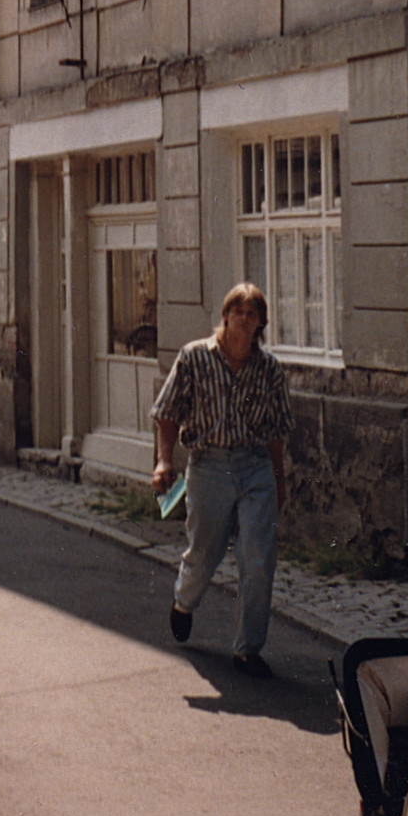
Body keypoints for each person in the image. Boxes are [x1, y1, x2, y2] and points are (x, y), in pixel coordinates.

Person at [151, 282, 293, 679]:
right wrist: (164, 462)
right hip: (209, 465)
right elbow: (168, 411)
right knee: (205, 553)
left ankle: (248, 649)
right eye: (238, 312)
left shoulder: (269, 369)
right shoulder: (194, 357)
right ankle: (184, 601)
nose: (244, 320)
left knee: (259, 557)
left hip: (254, 465)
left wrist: (279, 481)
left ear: (260, 323)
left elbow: (277, 429)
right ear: (226, 315)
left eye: (252, 314)